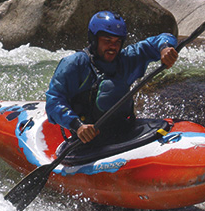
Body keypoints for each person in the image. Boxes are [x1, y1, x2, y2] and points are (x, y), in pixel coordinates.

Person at [45, 11, 178, 145]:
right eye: (107, 41)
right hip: (89, 139)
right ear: (94, 40)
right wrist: (77, 125)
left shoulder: (126, 59)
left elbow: (164, 37)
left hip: (124, 130)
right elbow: (53, 101)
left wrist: (165, 48)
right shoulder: (75, 64)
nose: (113, 47)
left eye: (117, 42)